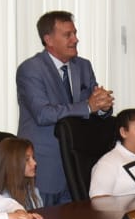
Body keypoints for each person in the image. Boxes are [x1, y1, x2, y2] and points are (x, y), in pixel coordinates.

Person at [14, 11, 113, 206]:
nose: (75, 39)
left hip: (78, 166)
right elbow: (43, 114)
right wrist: (88, 106)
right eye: (68, 35)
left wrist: (103, 106)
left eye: (75, 33)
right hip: (44, 166)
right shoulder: (31, 69)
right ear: (49, 40)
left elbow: (94, 108)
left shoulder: (83, 66)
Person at [0, 136, 41, 211]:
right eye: (27, 159)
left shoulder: (33, 192)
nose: (34, 163)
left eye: (33, 158)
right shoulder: (2, 200)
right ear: (12, 164)